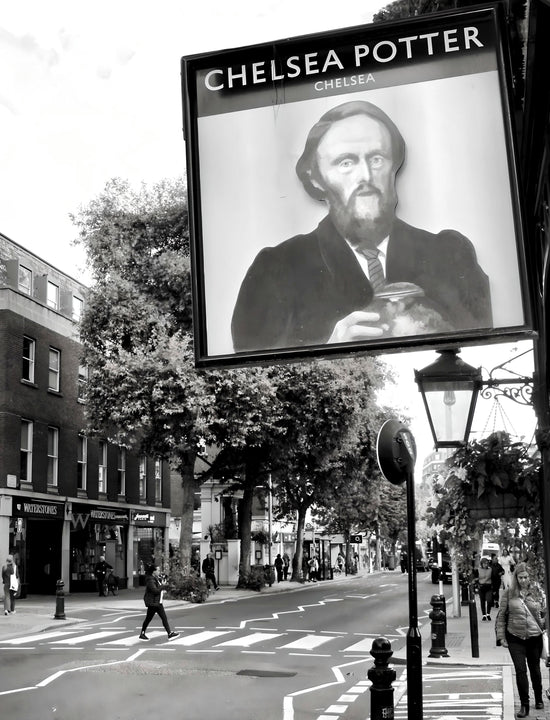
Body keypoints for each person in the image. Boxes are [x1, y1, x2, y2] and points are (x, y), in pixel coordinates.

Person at [232, 100, 491, 352]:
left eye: (377, 159)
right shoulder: (276, 270)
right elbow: (257, 374)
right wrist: (329, 353)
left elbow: (481, 344)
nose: (366, 177)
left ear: (394, 165)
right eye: (346, 163)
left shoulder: (449, 255)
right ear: (316, 177)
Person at [496, 562, 546, 717]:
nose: (523, 580)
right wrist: (501, 637)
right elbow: (501, 617)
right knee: (520, 670)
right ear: (516, 578)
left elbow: (543, 615)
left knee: (535, 670)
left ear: (530, 577)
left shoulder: (537, 592)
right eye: (520, 577)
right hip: (515, 637)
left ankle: (538, 698)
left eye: (525, 577)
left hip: (534, 637)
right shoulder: (509, 594)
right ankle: (524, 705)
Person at [139, 564, 179, 641]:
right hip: (153, 603)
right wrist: (162, 586)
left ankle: (169, 633)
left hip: (158, 602)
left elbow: (159, 588)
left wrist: (164, 585)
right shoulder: (150, 580)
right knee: (148, 619)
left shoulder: (155, 578)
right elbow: (155, 590)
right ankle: (142, 633)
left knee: (164, 618)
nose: (159, 571)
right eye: (158, 570)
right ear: (153, 571)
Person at [477, 556, 494, 621]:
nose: (486, 565)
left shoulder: (490, 569)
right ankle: (484, 615)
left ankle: (488, 614)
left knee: (489, 600)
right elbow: (476, 578)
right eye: (484, 563)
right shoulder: (478, 570)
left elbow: (493, 577)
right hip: (481, 586)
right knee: (482, 601)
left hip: (488, 586)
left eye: (487, 563)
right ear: (481, 564)